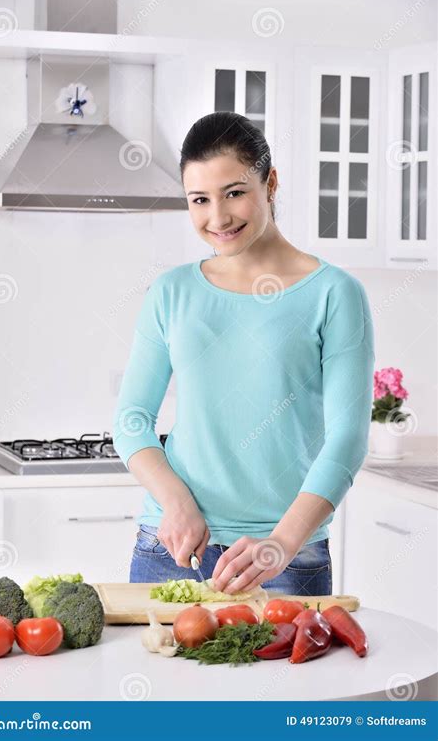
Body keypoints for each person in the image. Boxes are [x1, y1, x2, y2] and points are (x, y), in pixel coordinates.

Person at [113, 111, 375, 596]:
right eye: (199, 200)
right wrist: (176, 503)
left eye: (234, 192)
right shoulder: (172, 292)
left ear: (269, 183)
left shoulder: (334, 294)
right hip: (171, 546)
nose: (218, 218)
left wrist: (282, 542)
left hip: (287, 559)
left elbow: (348, 438)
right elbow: (131, 419)